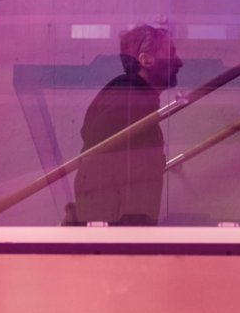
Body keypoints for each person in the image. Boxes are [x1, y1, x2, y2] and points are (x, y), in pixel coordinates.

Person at [71, 24, 183, 225]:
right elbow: (103, 169)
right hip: (116, 235)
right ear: (145, 59)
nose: (179, 62)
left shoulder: (128, 98)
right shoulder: (129, 101)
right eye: (171, 53)